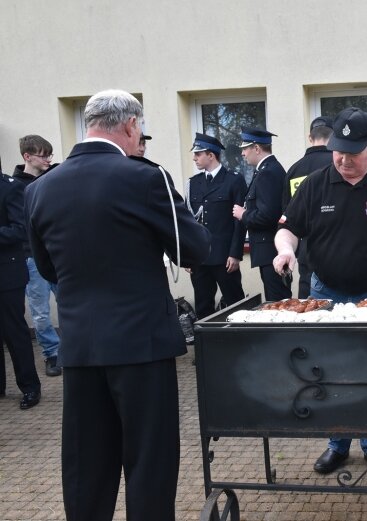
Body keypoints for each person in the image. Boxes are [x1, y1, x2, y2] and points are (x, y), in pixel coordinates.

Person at [25, 89, 211, 521]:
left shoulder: (40, 189)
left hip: (81, 347)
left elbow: (49, 268)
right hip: (142, 346)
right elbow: (194, 249)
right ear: (131, 126)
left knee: (86, 464)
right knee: (149, 463)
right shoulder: (146, 177)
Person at [273, 107, 367, 476]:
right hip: (326, 292)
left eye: (352, 153)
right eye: (339, 150)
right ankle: (337, 445)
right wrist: (286, 249)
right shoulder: (315, 183)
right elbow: (287, 228)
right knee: (331, 370)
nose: (343, 159)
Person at [12, 135, 61, 376]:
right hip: (31, 257)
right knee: (40, 310)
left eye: (50, 155)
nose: (49, 160)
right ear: (27, 157)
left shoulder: (52, 179)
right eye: (44, 155)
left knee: (68, 303)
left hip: (57, 253)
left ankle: (70, 350)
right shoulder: (14, 186)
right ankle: (51, 353)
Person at [186, 133, 247, 318]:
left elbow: (239, 221)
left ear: (211, 155)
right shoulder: (193, 183)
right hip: (200, 257)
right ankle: (208, 346)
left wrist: (235, 253)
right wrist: (189, 254)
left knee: (235, 303)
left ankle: (242, 345)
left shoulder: (233, 180)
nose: (194, 158)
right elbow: (188, 221)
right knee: (203, 307)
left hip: (224, 256)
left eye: (198, 154)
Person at [232, 127, 292, 302]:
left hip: (271, 251)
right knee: (277, 302)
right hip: (269, 251)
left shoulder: (268, 172)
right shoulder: (266, 170)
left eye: (245, 148)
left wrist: (243, 214)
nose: (243, 153)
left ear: (256, 148)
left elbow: (268, 215)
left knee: (279, 303)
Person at [0, 171, 42, 409]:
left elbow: (20, 229)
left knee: (14, 333)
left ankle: (30, 387)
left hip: (6, 272)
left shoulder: (10, 187)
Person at [282, 115, 334, 298]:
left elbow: (287, 216)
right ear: (334, 136)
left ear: (310, 137)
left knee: (309, 311)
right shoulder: (340, 166)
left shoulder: (294, 170)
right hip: (338, 248)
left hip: (307, 250)